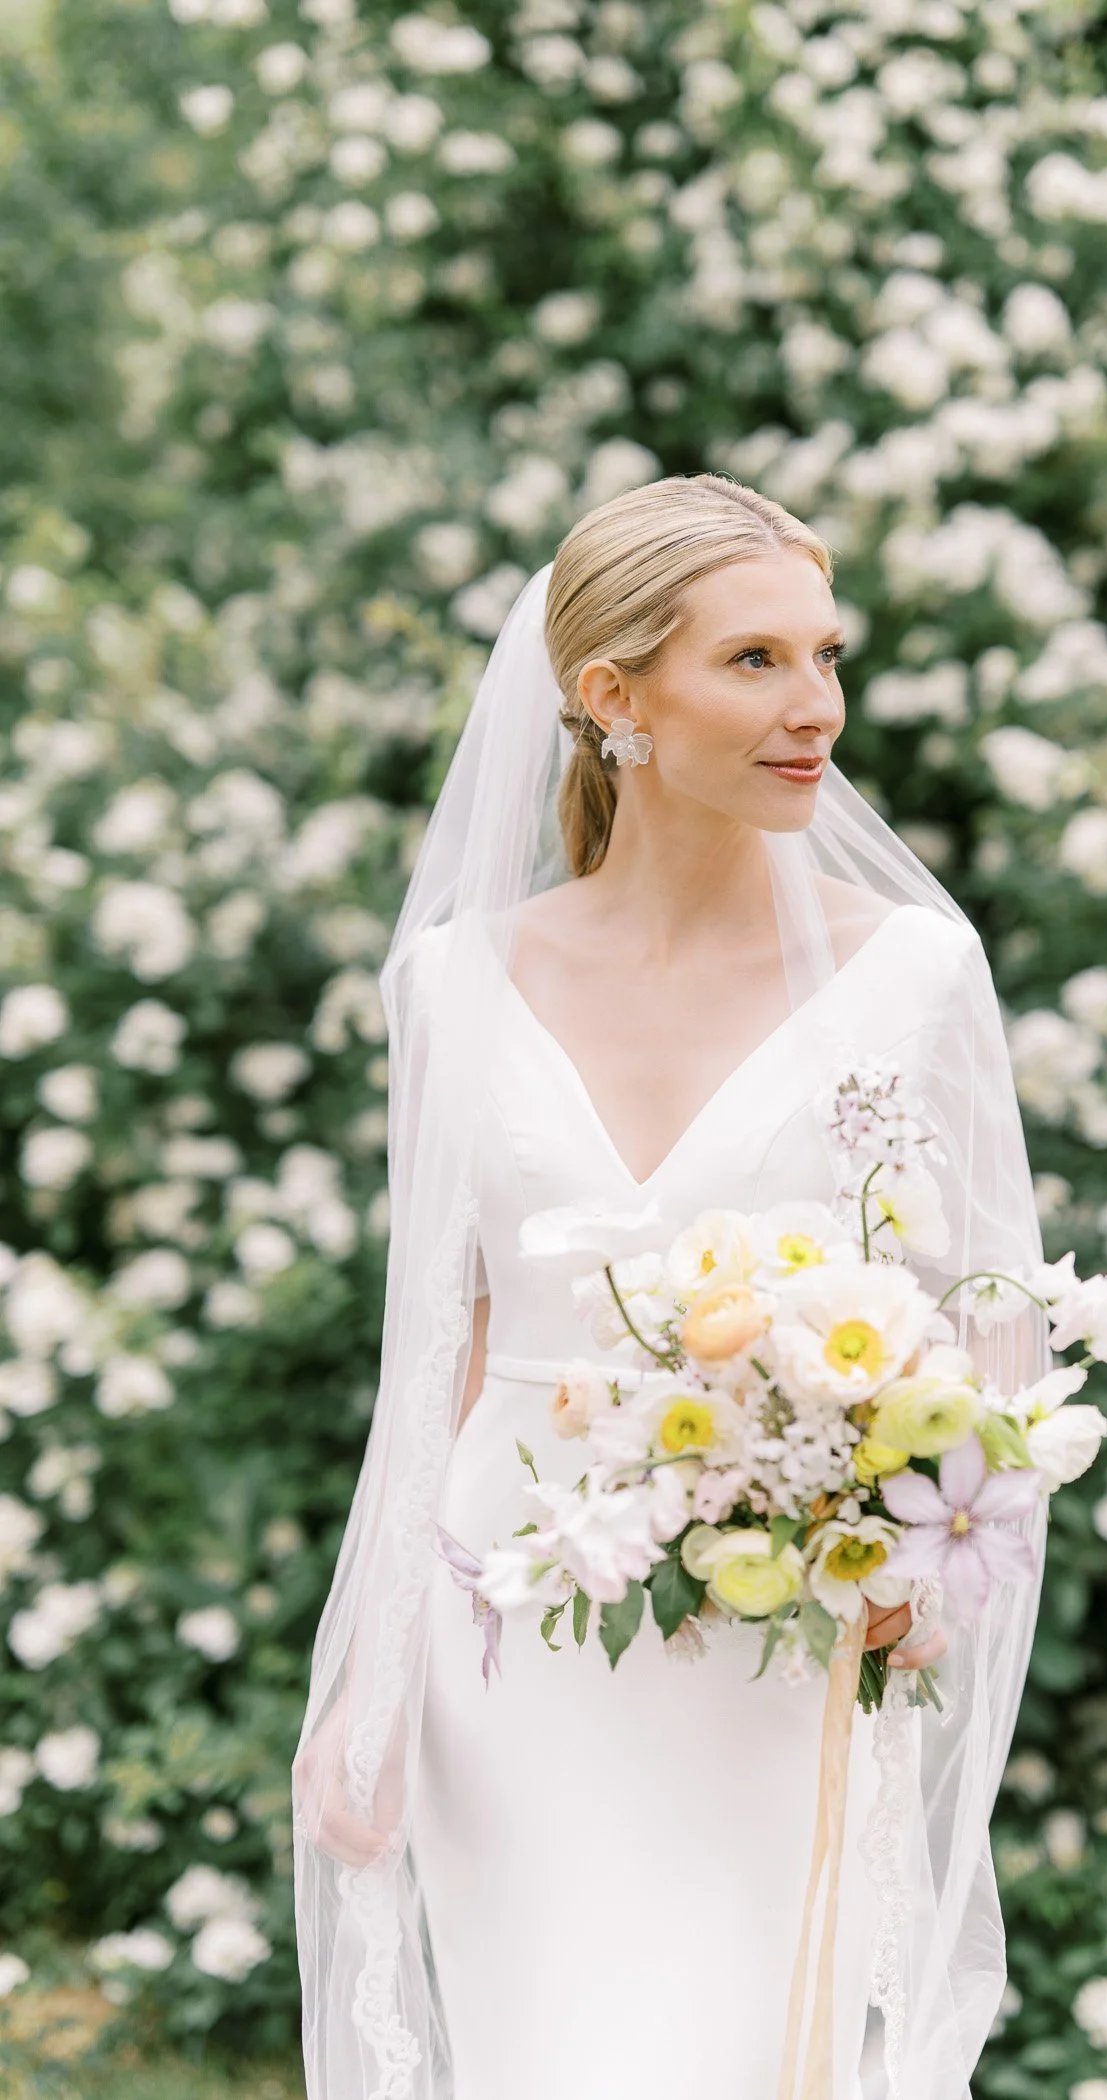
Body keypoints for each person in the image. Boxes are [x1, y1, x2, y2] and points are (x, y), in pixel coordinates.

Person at [292, 474, 1050, 2100]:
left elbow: (993, 1314)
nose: (817, 710)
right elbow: (440, 1342)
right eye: (757, 663)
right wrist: (369, 1672)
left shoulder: (915, 973)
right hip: (514, 1627)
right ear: (612, 697)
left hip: (780, 1628)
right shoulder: (453, 985)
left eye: (826, 657)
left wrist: (918, 1534)